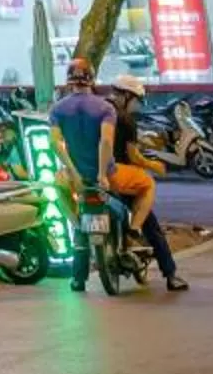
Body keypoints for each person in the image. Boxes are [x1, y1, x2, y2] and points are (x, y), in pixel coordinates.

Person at [102, 76, 189, 291]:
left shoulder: (96, 111)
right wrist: (154, 165)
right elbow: (133, 157)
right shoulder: (124, 119)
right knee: (150, 222)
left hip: (87, 175)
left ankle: (78, 278)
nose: (136, 106)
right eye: (136, 100)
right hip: (119, 176)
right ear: (127, 95)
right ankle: (170, 274)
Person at [50, 59, 115, 291]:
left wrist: (74, 173)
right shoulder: (106, 108)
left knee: (61, 193)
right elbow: (106, 141)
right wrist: (101, 174)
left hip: (75, 179)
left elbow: (56, 144)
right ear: (92, 79)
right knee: (128, 198)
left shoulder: (58, 109)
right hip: (104, 175)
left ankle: (78, 274)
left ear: (68, 81)